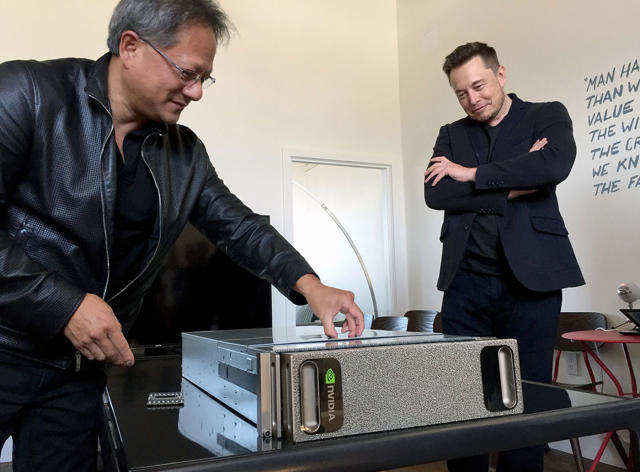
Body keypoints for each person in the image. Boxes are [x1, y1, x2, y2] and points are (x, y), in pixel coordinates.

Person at [0, 0, 364, 470]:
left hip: (78, 372)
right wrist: (63, 305)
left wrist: (311, 286)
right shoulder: (26, 93)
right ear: (131, 46)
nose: (195, 93)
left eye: (204, 79)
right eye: (187, 73)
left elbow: (240, 227)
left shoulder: (185, 154)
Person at [423, 42, 584, 472]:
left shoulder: (546, 114)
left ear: (501, 74)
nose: (472, 99)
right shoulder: (451, 133)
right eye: (461, 93)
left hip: (533, 283)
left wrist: (470, 175)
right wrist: (518, 179)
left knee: (528, 400)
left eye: (478, 86)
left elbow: (553, 167)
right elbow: (437, 193)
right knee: (463, 401)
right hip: (465, 283)